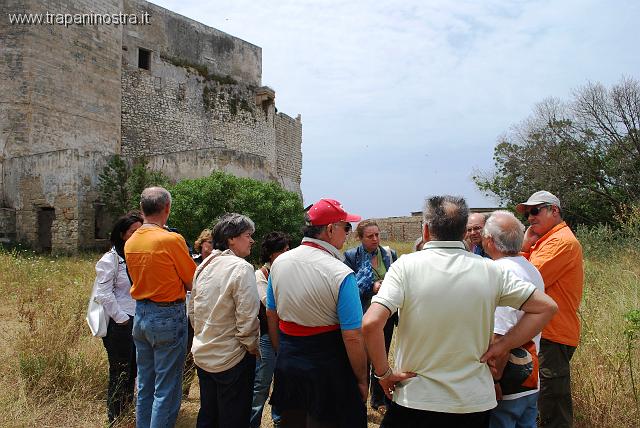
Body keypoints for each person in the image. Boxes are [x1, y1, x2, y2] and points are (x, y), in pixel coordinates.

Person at [362, 195, 558, 428]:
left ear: (425, 231)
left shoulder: (406, 266)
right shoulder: (490, 270)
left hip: (417, 398)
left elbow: (371, 323)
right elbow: (546, 307)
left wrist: (384, 374)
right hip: (473, 401)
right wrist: (502, 346)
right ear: (464, 232)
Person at [266, 198, 367, 427]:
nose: (347, 234)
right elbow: (352, 335)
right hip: (328, 365)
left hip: (289, 359)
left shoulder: (279, 263)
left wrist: (282, 352)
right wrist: (361, 379)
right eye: (346, 227)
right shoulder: (340, 273)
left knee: (293, 421)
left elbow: (272, 314)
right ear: (330, 229)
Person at [125, 187, 197, 428]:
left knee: (145, 385)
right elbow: (191, 280)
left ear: (142, 209)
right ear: (167, 208)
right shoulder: (171, 239)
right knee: (166, 387)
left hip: (141, 313)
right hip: (168, 314)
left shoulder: (132, 240)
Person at [516, 191, 584, 428]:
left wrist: (523, 248)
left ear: (554, 210)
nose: (530, 218)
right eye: (528, 213)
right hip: (544, 335)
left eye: (535, 211)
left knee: (552, 407)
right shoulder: (546, 241)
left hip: (552, 337)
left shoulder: (560, 242)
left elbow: (523, 281)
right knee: (541, 403)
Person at [189, 213, 261, 428]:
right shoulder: (242, 268)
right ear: (231, 238)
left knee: (209, 416)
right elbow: (247, 319)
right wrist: (251, 348)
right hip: (233, 357)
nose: (252, 241)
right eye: (248, 235)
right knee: (233, 419)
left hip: (204, 352)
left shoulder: (204, 265)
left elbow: (192, 310)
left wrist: (202, 336)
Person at [482, 211, 545, 428]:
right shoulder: (530, 267)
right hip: (530, 375)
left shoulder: (498, 272)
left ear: (489, 241)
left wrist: (495, 379)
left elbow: (499, 333)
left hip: (508, 379)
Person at [344, 219, 398, 412]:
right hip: (362, 314)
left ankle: (379, 400)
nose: (375, 239)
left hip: (386, 315)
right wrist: (371, 287)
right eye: (370, 236)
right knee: (362, 359)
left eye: (377, 235)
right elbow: (349, 288)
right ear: (360, 238)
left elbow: (398, 282)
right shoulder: (350, 257)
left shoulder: (389, 255)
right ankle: (360, 400)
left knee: (380, 356)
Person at [95, 211, 143, 425]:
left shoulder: (138, 255)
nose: (138, 234)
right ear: (123, 234)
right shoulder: (110, 259)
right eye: (134, 231)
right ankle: (114, 417)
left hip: (138, 321)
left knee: (133, 371)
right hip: (120, 325)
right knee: (120, 372)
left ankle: (126, 411)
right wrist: (122, 319)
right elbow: (103, 293)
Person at [251, 231, 290, 428]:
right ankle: (252, 422)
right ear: (271, 253)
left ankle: (279, 419)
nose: (288, 253)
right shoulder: (261, 275)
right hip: (267, 337)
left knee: (284, 382)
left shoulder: (288, 272)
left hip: (287, 335)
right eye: (283, 250)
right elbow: (269, 305)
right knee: (261, 385)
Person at [183, 228, 213, 398]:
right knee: (188, 353)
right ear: (201, 244)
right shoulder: (192, 261)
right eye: (209, 242)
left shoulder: (217, 263)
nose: (211, 246)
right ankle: (184, 389)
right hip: (190, 312)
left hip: (208, 313)